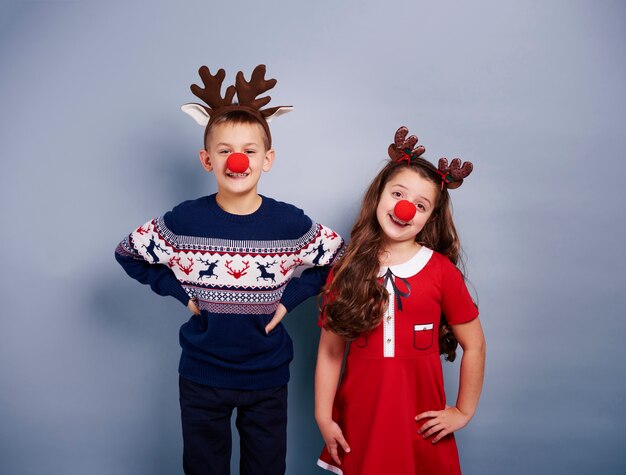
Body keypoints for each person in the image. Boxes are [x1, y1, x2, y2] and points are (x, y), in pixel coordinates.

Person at [114, 64, 344, 475]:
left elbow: (341, 259)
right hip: (202, 375)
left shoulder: (290, 224)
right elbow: (128, 252)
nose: (237, 159)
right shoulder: (184, 221)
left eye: (249, 150)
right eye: (224, 150)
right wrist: (181, 292)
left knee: (265, 468)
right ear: (207, 160)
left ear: (267, 159)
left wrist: (290, 298)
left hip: (267, 376)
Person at [314, 126, 485, 475]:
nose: (405, 209)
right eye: (397, 194)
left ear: (430, 218)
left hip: (419, 423)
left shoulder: (441, 272)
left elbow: (476, 345)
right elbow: (331, 351)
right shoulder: (346, 269)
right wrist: (323, 416)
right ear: (379, 196)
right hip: (362, 417)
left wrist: (463, 411)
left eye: (420, 205)